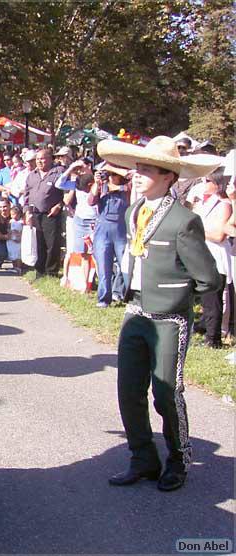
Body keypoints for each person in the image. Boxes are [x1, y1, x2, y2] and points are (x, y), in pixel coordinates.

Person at [98, 136, 221, 492]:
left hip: (170, 318)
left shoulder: (184, 220)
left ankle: (179, 459)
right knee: (128, 390)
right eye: (137, 169)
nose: (137, 176)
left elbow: (208, 279)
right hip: (135, 312)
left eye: (146, 170)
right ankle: (143, 457)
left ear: (168, 177)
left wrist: (176, 299)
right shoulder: (134, 210)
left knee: (167, 393)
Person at [190, 167, 232, 348]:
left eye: (208, 181)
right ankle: (203, 328)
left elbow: (219, 234)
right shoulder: (203, 203)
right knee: (203, 299)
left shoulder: (224, 204)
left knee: (213, 299)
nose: (204, 184)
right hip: (201, 254)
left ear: (217, 184)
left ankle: (213, 338)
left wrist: (197, 231)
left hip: (216, 256)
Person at [88, 163, 130, 308]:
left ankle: (125, 294)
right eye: (109, 174)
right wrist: (97, 183)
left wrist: (116, 184)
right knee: (104, 266)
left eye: (113, 174)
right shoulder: (102, 187)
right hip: (103, 230)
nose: (111, 177)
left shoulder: (127, 187)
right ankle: (104, 298)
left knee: (125, 264)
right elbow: (91, 201)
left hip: (121, 230)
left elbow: (130, 182)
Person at [23, 149, 65, 276]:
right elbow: (26, 195)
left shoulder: (58, 173)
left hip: (51, 214)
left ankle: (51, 272)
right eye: (37, 159)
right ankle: (39, 271)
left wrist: (59, 205)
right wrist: (26, 212)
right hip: (35, 213)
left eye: (42, 159)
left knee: (52, 244)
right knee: (38, 243)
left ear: (50, 159)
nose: (39, 162)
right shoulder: (32, 175)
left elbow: (67, 193)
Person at [7, 204, 24, 272]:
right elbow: (8, 229)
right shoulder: (11, 221)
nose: (13, 216)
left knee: (18, 255)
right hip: (11, 240)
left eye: (15, 214)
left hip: (19, 240)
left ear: (19, 214)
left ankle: (19, 267)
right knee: (12, 254)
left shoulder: (21, 222)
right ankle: (14, 267)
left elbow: (22, 231)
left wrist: (20, 235)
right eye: (12, 214)